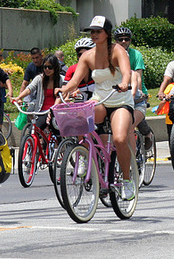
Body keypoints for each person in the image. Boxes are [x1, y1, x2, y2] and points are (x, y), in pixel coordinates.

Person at [57, 15, 135, 200]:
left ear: (107, 34)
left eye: (98, 31)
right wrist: (64, 89)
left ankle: (126, 180)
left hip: (120, 101)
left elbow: (126, 72)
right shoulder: (87, 56)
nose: (94, 34)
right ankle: (83, 155)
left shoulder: (118, 51)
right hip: (100, 100)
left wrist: (125, 83)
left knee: (120, 139)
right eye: (92, 31)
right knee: (80, 118)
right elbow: (75, 80)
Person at [114, 27, 154, 150]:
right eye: (120, 39)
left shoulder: (136, 54)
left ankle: (147, 135)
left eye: (127, 39)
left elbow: (138, 77)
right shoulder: (112, 54)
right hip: (118, 93)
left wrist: (138, 92)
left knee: (131, 121)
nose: (124, 41)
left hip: (136, 94)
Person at [12, 55, 64, 130]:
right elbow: (29, 89)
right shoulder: (39, 78)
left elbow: (63, 94)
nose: (47, 69)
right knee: (35, 130)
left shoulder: (61, 79)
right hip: (41, 112)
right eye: (45, 67)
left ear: (55, 68)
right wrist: (19, 97)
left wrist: (52, 110)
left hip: (56, 111)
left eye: (50, 67)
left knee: (56, 131)